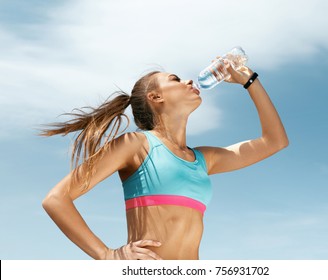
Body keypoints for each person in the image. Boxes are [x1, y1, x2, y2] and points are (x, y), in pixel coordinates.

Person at [41, 60, 289, 260]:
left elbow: (275, 141)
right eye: (175, 79)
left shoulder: (204, 159)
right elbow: (56, 199)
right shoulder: (136, 145)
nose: (189, 81)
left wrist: (249, 80)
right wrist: (106, 255)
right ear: (155, 97)